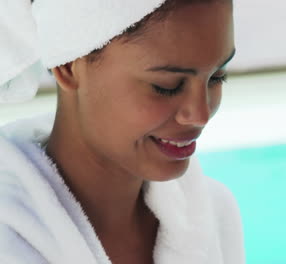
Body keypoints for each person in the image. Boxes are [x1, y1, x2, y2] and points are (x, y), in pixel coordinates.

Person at [0, 0, 245, 263]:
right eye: (166, 86)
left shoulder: (213, 213)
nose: (200, 115)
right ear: (68, 65)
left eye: (217, 77)